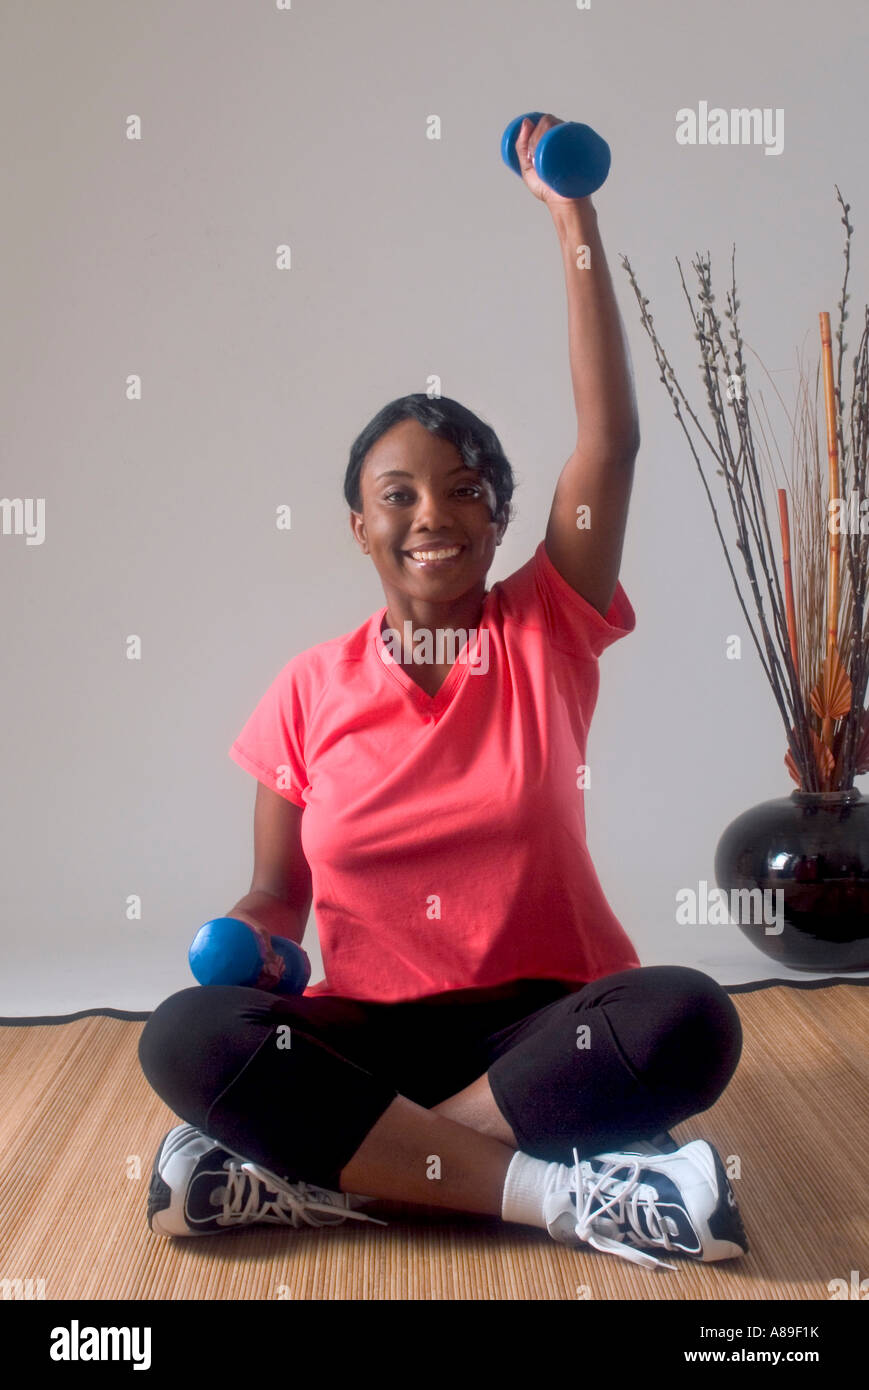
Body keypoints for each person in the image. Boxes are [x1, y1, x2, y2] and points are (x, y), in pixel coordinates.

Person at [138, 115, 747, 1271]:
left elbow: (608, 444)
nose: (432, 515)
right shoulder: (305, 689)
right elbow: (279, 893)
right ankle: (564, 1197)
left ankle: (335, 1181)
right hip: (369, 1040)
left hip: (539, 1031)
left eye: (465, 490)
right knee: (187, 1034)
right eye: (399, 493)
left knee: (684, 1015)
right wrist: (254, 943)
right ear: (358, 523)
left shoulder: (545, 626)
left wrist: (571, 215)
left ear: (499, 516)